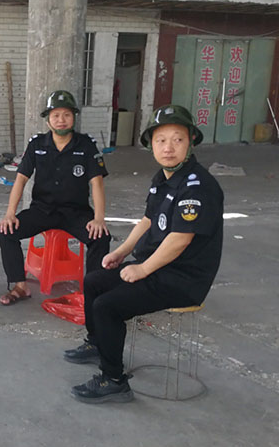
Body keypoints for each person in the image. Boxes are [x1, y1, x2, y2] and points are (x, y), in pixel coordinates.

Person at [66, 105, 223, 404]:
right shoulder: (163, 178)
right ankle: (98, 344)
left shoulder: (198, 186)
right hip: (157, 267)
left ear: (191, 142)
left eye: (177, 139)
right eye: (161, 140)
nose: (168, 148)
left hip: (182, 279)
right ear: (151, 144)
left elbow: (180, 239)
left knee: (107, 306)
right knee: (94, 281)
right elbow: (148, 221)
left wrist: (142, 269)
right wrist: (121, 252)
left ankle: (114, 381)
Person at [0, 90, 110, 305]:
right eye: (55, 115)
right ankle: (20, 286)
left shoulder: (86, 145)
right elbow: (20, 180)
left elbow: (97, 183)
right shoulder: (37, 144)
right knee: (6, 231)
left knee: (101, 237)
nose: (61, 120)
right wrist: (10, 213)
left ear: (74, 118)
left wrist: (99, 218)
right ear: (48, 120)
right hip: (42, 210)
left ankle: (92, 293)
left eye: (66, 114)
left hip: (76, 212)